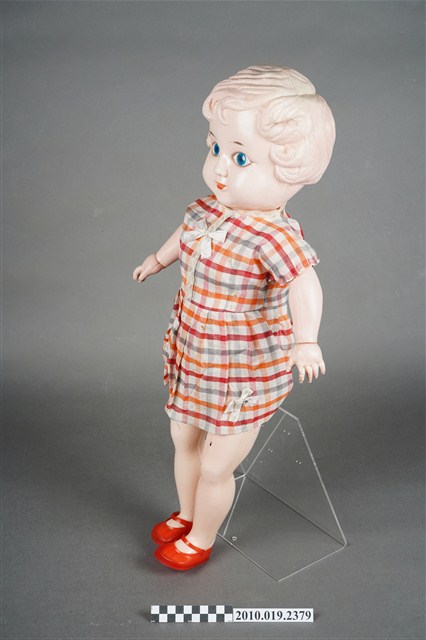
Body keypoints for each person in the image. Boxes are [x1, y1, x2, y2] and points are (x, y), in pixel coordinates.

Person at [132, 65, 336, 571]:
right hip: (196, 347)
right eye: (216, 148)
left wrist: (306, 340)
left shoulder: (275, 236)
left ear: (291, 170)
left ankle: (201, 537)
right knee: (183, 437)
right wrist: (158, 259)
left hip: (242, 364)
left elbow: (304, 282)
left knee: (217, 463)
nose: (221, 168)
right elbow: (184, 236)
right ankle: (186, 513)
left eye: (242, 158)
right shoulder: (206, 211)